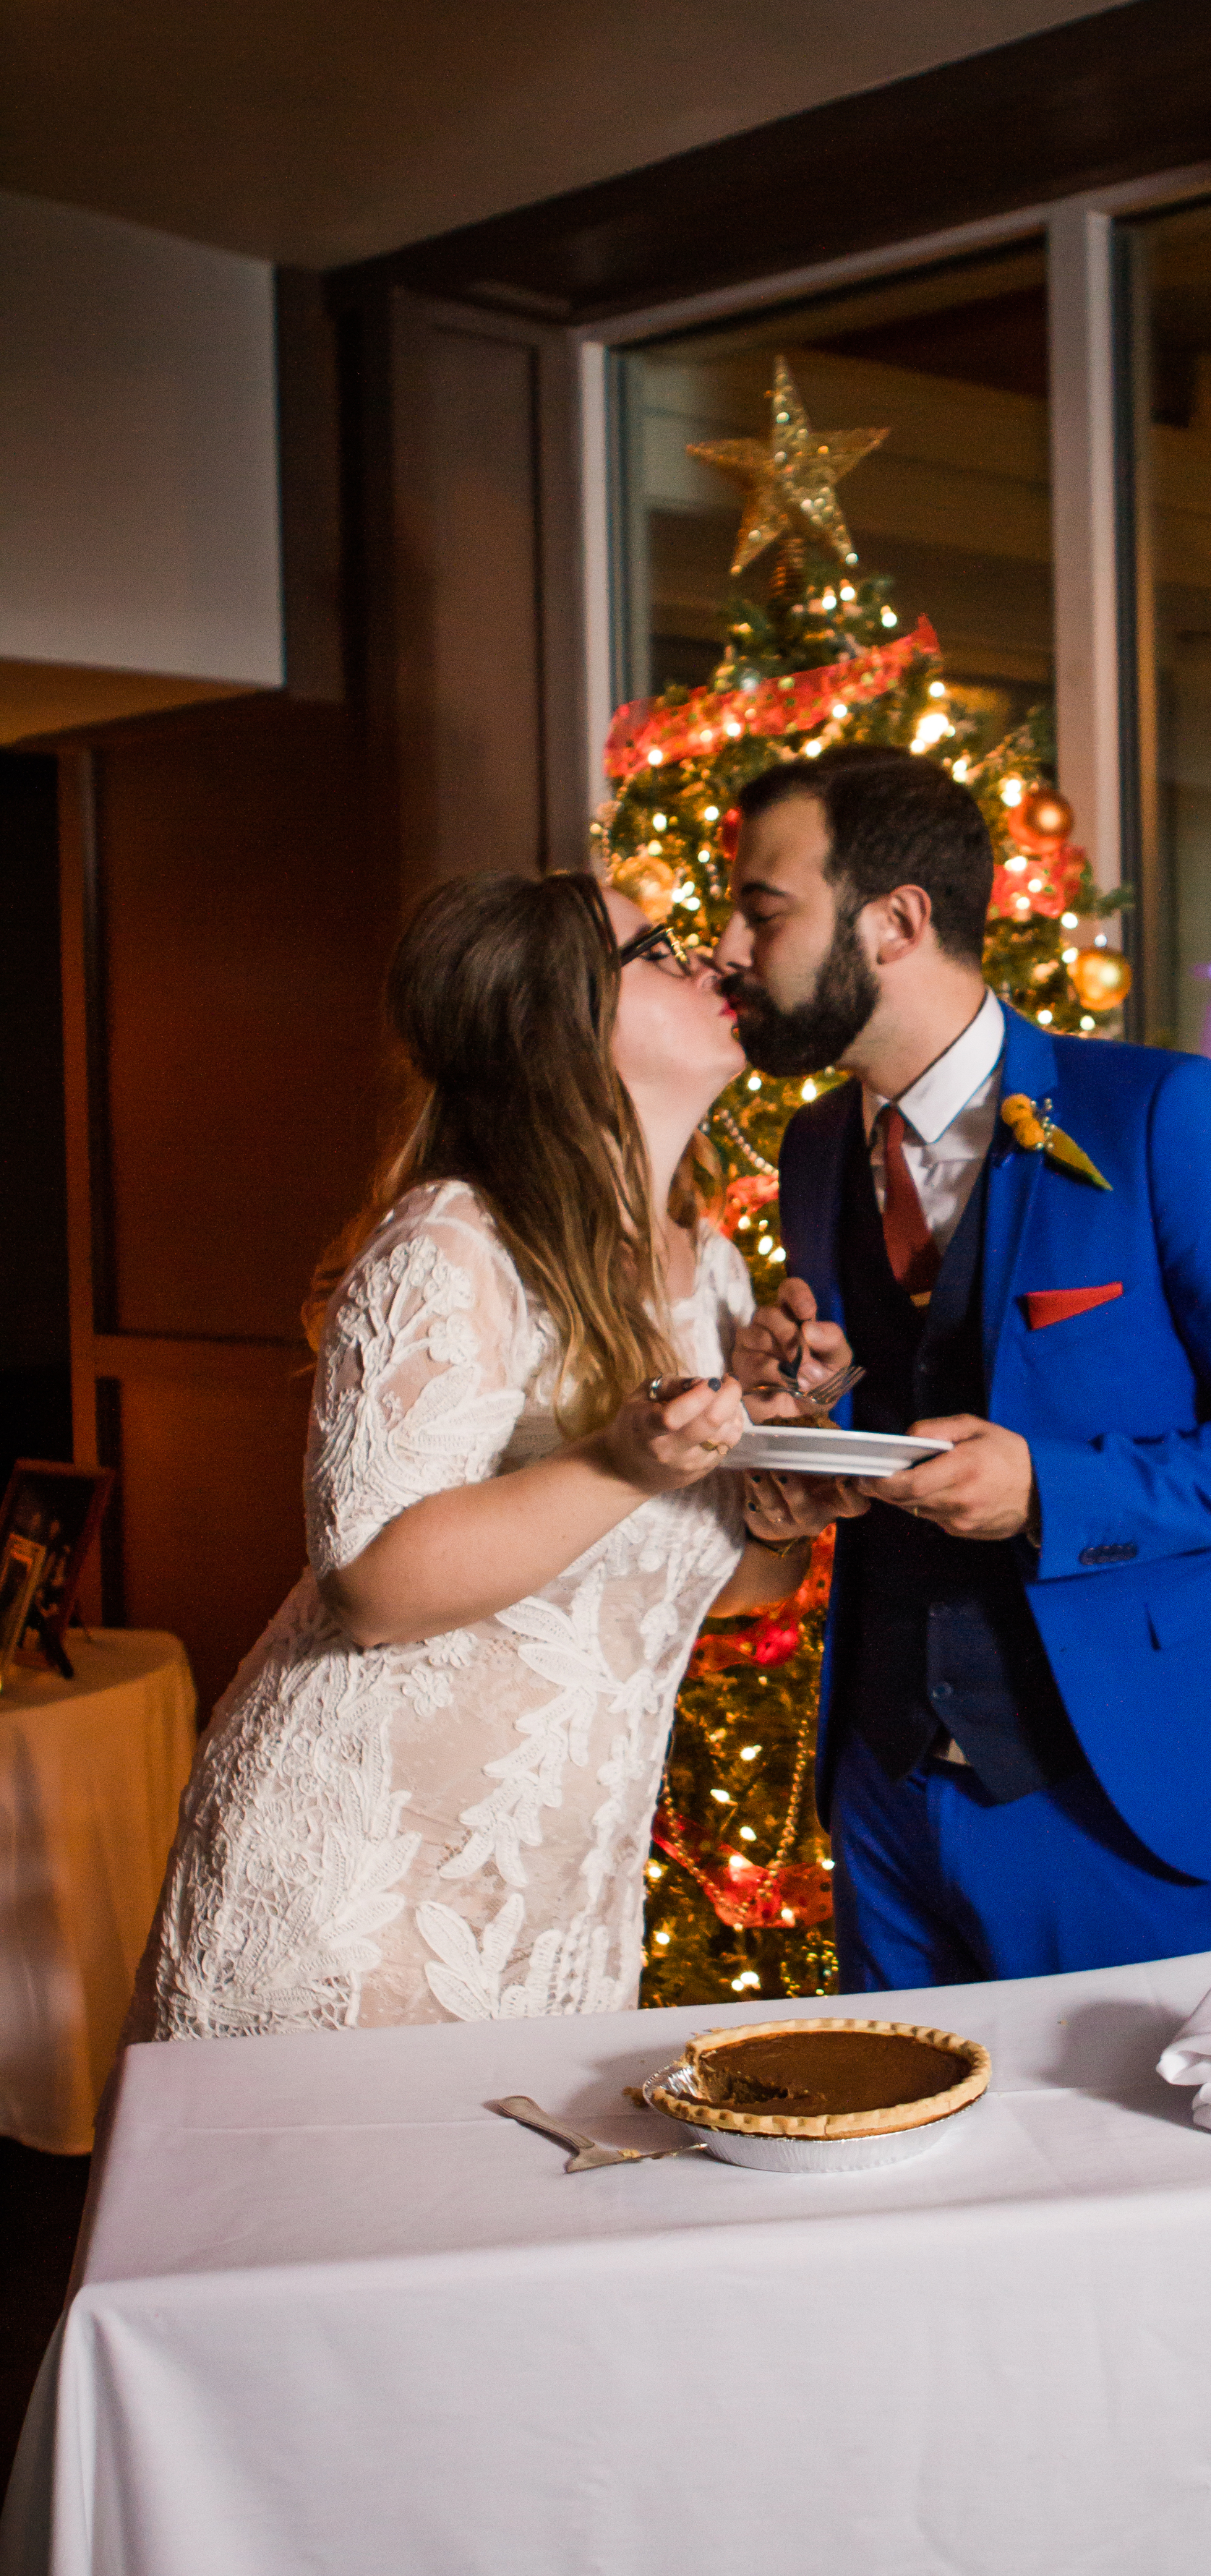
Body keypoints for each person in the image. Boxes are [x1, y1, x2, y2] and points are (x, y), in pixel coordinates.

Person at [717, 752, 1211, 1993]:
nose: (735, 950)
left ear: (897, 920)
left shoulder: (1153, 1112)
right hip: (880, 1772)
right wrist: (803, 1406)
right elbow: (891, 1388)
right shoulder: (812, 1148)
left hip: (1111, 1784)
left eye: (764, 909)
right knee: (905, 2166)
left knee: (1119, 2177)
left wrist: (1050, 1490)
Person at [130, 872, 822, 2039]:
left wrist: (772, 1510)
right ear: (550, 1025)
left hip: (551, 1900)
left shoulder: (713, 1273)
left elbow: (688, 1592)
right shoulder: (452, 1239)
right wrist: (624, 1460)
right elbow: (376, 1587)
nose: (709, 963)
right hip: (358, 1882)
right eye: (657, 951)